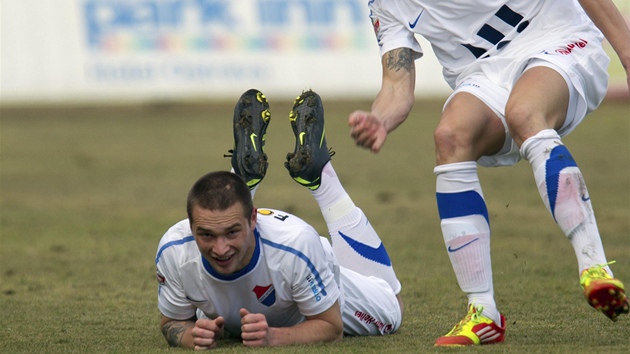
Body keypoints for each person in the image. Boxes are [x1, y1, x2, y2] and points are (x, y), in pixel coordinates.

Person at [348, 0, 630, 347]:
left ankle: (595, 267)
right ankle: (483, 311)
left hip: (556, 38)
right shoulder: (385, 4)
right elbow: (396, 84)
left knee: (524, 112)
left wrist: (627, 51)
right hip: (484, 74)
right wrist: (381, 119)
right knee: (450, 137)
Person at [155, 89, 404, 349]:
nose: (220, 248)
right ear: (190, 224)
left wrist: (273, 336)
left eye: (231, 232)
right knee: (204, 309)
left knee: (393, 308)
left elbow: (331, 327)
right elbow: (172, 322)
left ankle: (323, 180)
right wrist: (189, 335)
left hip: (311, 275)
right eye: (206, 234)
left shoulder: (297, 248)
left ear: (254, 219)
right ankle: (243, 182)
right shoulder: (174, 248)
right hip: (247, 292)